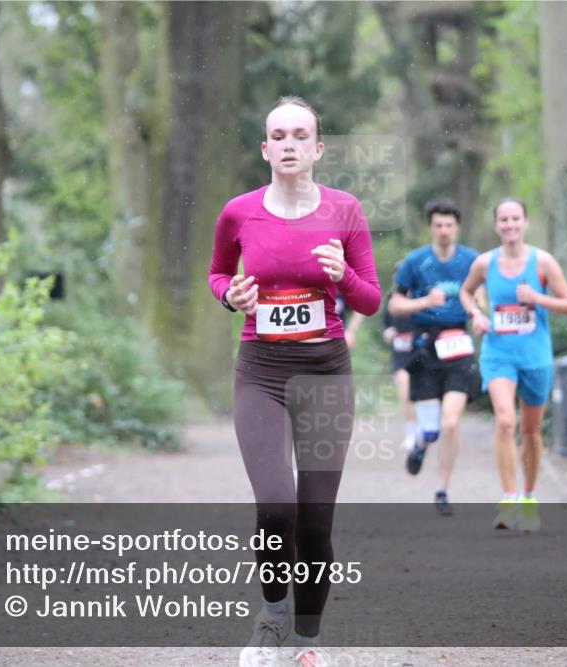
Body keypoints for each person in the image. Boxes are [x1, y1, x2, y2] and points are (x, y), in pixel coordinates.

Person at [208, 96, 380, 667]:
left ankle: (307, 643)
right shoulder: (238, 212)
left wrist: (344, 275)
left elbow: (371, 300)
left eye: (300, 135)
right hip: (261, 372)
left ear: (318, 148)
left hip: (327, 371)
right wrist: (229, 295)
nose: (289, 144)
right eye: (278, 135)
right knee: (276, 504)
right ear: (265, 148)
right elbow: (217, 274)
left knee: (315, 522)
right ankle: (273, 615)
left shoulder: (345, 210)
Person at [459, 198, 567, 532]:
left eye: (515, 219)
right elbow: (466, 293)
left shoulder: (544, 262)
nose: (510, 225)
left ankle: (528, 497)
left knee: (531, 431)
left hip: (535, 356)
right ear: (496, 225)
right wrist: (476, 315)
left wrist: (537, 298)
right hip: (498, 353)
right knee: (505, 421)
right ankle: (508, 499)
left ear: (525, 222)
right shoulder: (485, 264)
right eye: (504, 220)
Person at [388, 199, 481, 516]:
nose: (444, 231)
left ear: (457, 228)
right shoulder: (416, 262)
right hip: (424, 347)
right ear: (431, 227)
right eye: (438, 225)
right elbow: (394, 306)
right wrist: (424, 301)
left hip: (458, 344)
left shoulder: (472, 260)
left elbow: (481, 295)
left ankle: (442, 489)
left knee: (451, 423)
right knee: (431, 430)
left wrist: (478, 313)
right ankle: (421, 445)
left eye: (449, 225)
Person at [380, 265, 417, 452]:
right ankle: (411, 434)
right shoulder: (391, 299)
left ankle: (426, 429)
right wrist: (387, 332)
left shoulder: (422, 296)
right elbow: (385, 325)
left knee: (425, 396)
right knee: (405, 393)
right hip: (401, 355)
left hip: (421, 355)